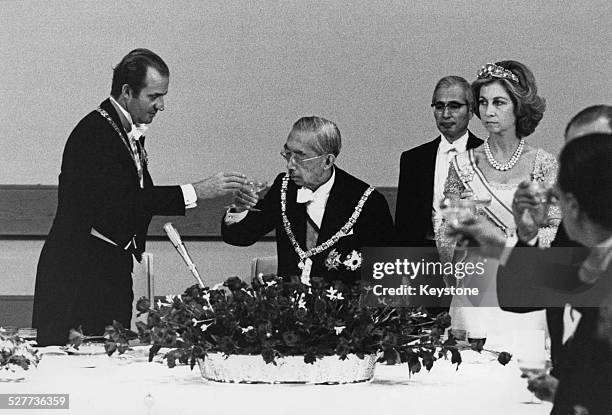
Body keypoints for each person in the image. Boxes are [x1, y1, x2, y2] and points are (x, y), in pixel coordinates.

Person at [32, 49, 246, 346]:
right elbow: (126, 201)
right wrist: (197, 191)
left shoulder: (124, 130)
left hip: (111, 268)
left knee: (114, 364)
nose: (161, 105)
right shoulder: (94, 133)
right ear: (126, 92)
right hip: (79, 275)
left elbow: (140, 197)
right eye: (154, 96)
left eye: (163, 96)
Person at [448, 133, 612, 415]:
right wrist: (527, 236)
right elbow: (519, 297)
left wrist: (569, 394)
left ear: (572, 205)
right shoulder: (574, 241)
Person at [437, 60, 558, 349]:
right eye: (483, 102)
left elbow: (558, 233)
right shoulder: (462, 164)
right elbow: (444, 236)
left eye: (499, 102)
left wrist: (505, 239)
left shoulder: (543, 164)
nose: (488, 111)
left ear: (519, 106)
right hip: (475, 290)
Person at [222, 116, 395, 283]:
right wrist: (239, 209)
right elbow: (240, 237)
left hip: (343, 308)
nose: (290, 165)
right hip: (290, 307)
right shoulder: (284, 188)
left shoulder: (367, 201)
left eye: (300, 156)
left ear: (327, 161)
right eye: (287, 154)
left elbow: (386, 274)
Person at [395, 76, 482, 248]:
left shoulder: (489, 155)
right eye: (439, 106)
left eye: (454, 106)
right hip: (424, 258)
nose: (446, 114)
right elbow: (403, 225)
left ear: (471, 111)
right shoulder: (413, 160)